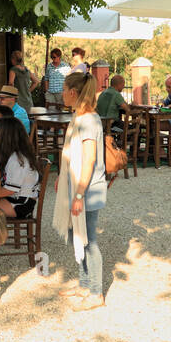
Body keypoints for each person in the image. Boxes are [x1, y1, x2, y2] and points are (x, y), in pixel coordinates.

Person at [52, 72, 107, 311]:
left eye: (64, 90)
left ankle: (96, 292)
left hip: (88, 188)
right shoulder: (80, 117)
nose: (62, 94)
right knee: (79, 236)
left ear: (73, 92)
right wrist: (62, 178)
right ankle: (85, 285)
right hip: (79, 186)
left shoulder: (88, 120)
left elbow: (89, 159)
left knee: (89, 240)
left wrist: (78, 194)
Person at [0, 116, 41, 219]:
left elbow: (10, 190)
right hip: (15, 198)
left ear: (5, 136)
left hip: (21, 203)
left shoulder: (17, 159)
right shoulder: (15, 155)